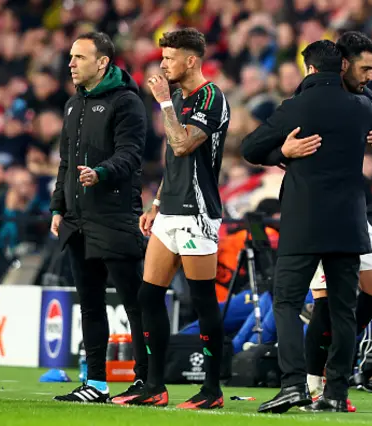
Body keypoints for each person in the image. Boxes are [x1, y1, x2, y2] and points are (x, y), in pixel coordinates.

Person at [242, 40, 372, 413]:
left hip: (305, 222)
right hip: (349, 223)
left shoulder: (297, 106)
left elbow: (251, 149)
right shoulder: (362, 106)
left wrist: (281, 154)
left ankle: (293, 385)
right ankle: (336, 392)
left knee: (286, 302)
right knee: (343, 311)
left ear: (310, 69)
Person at [279, 32, 372, 402]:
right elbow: (278, 148)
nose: (371, 77)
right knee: (327, 301)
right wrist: (286, 150)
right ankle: (318, 382)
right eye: (365, 68)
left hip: (349, 210)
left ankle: (337, 356)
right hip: (314, 211)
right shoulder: (309, 95)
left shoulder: (362, 98)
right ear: (343, 64)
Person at [125, 28, 230, 410]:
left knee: (202, 300)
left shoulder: (211, 97)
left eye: (169, 58)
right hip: (169, 210)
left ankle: (212, 389)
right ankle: (154, 385)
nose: (163, 64)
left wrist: (165, 104)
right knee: (148, 295)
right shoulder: (181, 96)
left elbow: (183, 143)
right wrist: (155, 203)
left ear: (191, 60)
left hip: (198, 212)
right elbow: (175, 160)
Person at [49, 32, 148, 403]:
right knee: (89, 305)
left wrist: (100, 173)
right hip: (77, 219)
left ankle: (145, 380)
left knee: (134, 303)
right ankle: (97, 383)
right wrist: (58, 207)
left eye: (79, 57)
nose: (71, 63)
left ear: (102, 62)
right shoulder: (74, 105)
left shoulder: (126, 103)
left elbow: (130, 155)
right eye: (71, 56)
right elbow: (65, 162)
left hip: (114, 216)